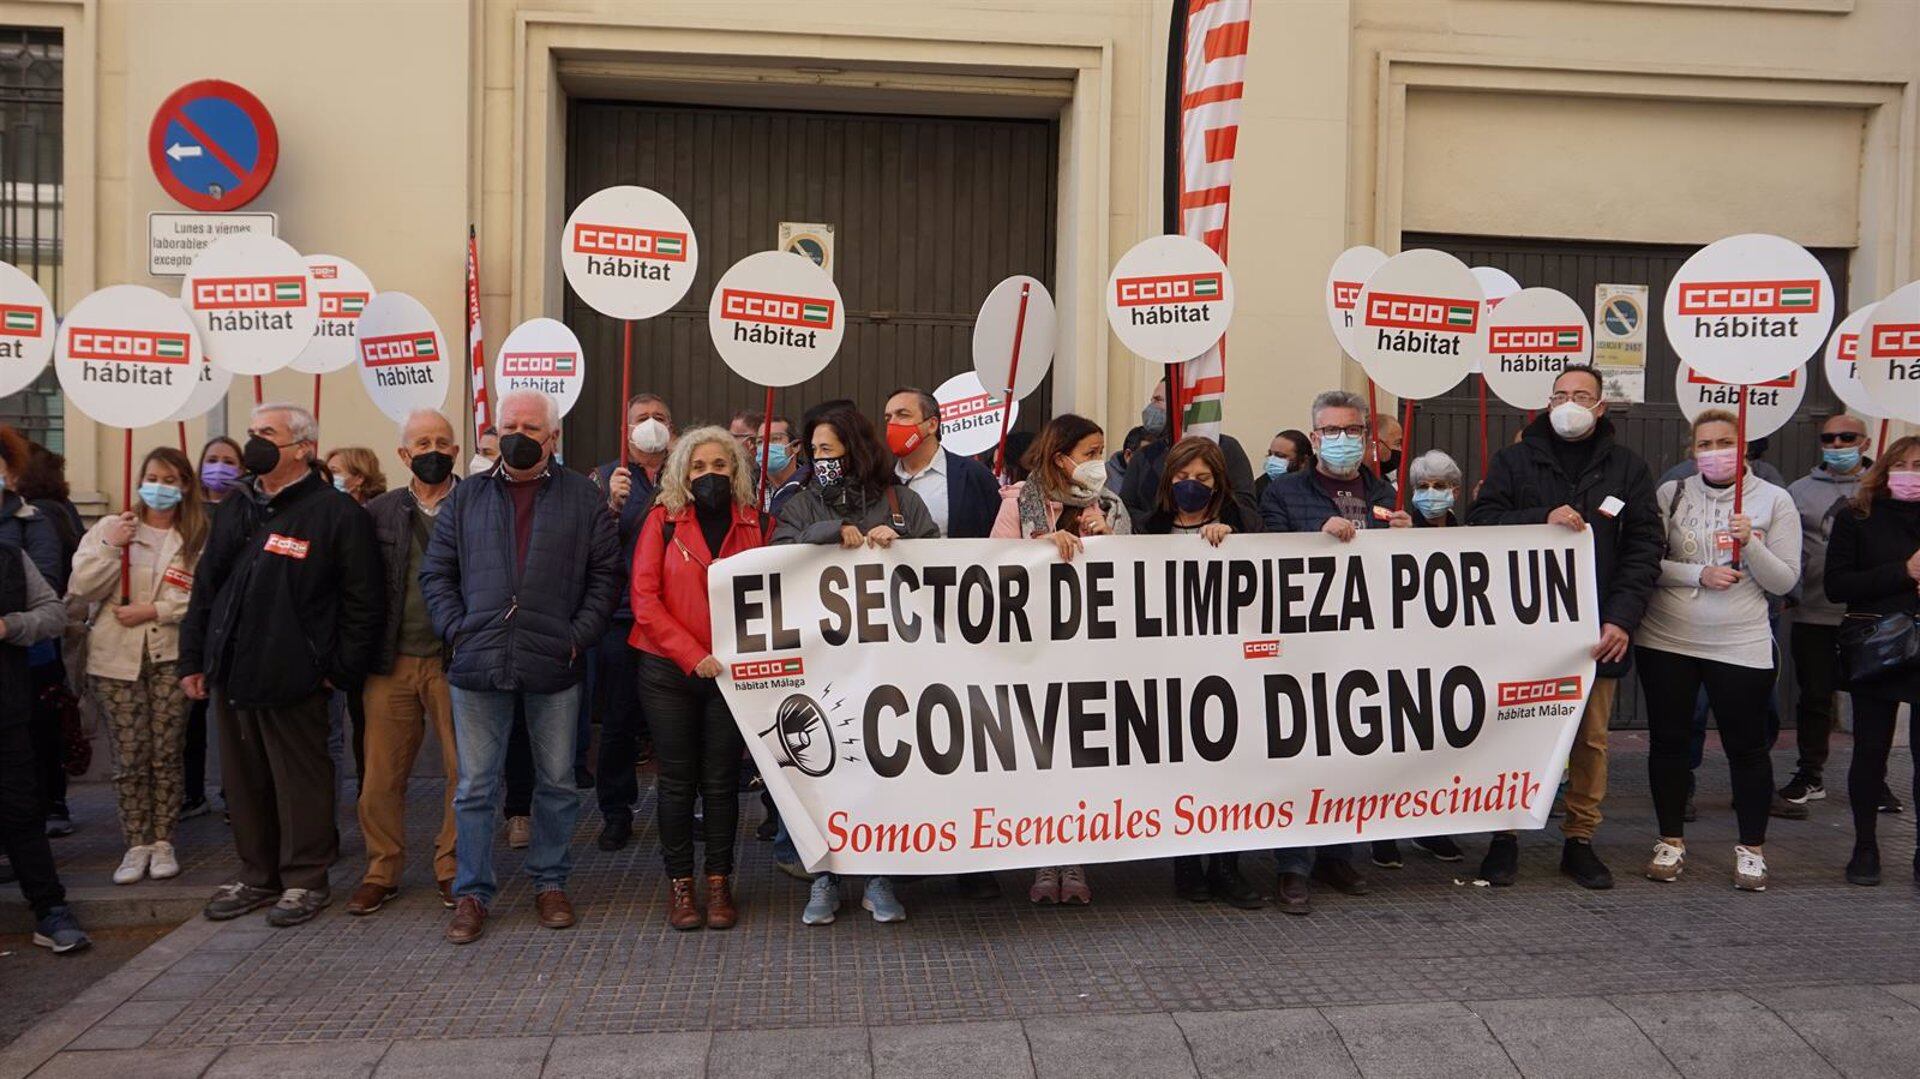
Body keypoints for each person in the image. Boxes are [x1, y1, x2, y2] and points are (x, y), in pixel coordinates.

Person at [422, 388, 620, 945]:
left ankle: (550, 882)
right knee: (476, 786)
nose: (519, 435)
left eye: (531, 428)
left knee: (556, 783)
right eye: (510, 425)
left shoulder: (584, 499)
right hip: (478, 662)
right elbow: (436, 573)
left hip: (554, 662)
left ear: (552, 437)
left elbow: (605, 578)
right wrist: (457, 629)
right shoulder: (466, 499)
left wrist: (577, 638)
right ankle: (472, 892)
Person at [180, 403, 383, 928]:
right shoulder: (237, 506)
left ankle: (305, 878)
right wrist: (196, 657)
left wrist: (338, 670)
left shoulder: (335, 513)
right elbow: (208, 588)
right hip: (232, 670)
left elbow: (363, 602)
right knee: (244, 781)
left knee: (301, 781)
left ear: (302, 448)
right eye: (252, 433)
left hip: (296, 674)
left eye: (266, 434)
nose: (254, 443)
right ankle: (256, 875)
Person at [1469, 363, 1663, 890]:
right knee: (1512, 732)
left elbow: (1645, 547)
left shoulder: (1628, 468)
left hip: (1595, 633)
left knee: (1590, 741)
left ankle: (1580, 840)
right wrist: (1539, 518)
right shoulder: (1513, 461)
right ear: (1547, 404)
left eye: (1581, 394)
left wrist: (1621, 618)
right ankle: (1503, 835)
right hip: (1521, 633)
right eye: (1560, 394)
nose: (1570, 403)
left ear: (1601, 407)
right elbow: (1481, 522)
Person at [777, 404, 939, 924]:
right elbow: (776, 559)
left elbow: (941, 568)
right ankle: (824, 876)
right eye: (814, 451)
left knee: (883, 766)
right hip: (822, 666)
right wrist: (826, 533)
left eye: (828, 449)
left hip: (892, 668)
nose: (819, 459)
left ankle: (879, 874)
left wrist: (906, 547)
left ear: (855, 450)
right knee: (825, 769)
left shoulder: (903, 502)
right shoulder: (799, 505)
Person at [1636, 410, 1799, 891]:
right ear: (1693, 452)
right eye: (1704, 444)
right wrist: (1697, 574)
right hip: (1667, 637)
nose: (1715, 452)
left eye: (1724, 442)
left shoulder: (1775, 500)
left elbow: (1784, 580)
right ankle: (1670, 841)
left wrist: (1751, 545)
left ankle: (1752, 851)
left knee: (1746, 747)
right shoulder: (1673, 493)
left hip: (1739, 642)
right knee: (1668, 742)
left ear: (1743, 446)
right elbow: (1649, 562)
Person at [1259, 390, 1408, 912]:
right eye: (1330, 432)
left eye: (1352, 432)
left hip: (1363, 647)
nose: (1341, 441)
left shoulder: (1386, 492)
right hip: (1302, 647)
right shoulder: (1284, 493)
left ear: (1367, 438)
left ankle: (1337, 853)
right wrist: (1312, 537)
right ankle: (1292, 865)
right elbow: (1268, 560)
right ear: (1315, 437)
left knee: (1350, 748)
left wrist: (1413, 540)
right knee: (1299, 751)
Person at [993, 413, 1132, 906]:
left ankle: (1074, 858)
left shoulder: (1111, 506)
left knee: (1081, 756)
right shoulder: (1020, 504)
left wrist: (1106, 541)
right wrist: (1038, 549)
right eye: (1090, 453)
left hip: (1091, 656)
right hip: (1034, 655)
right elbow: (992, 571)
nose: (1098, 462)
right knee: (1041, 754)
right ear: (1061, 457)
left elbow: (1136, 580)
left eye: (1100, 452)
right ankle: (1042, 858)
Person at [632, 427, 768, 930]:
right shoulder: (661, 521)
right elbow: (644, 600)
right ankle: (681, 886)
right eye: (698, 466)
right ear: (682, 472)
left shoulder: (758, 524)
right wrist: (692, 655)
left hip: (731, 674)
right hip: (668, 670)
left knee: (720, 783)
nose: (709, 474)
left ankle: (718, 882)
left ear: (735, 471)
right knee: (675, 782)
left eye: (719, 465)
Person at [883, 385, 1003, 900]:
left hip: (964, 631)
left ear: (932, 423)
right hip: (896, 637)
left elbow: (999, 548)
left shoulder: (972, 478)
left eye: (902, 414)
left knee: (968, 742)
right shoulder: (878, 480)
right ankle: (907, 854)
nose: (892, 422)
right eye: (887, 415)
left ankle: (973, 860)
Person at [345, 409, 464, 917]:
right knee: (380, 777)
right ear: (403, 454)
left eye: (441, 441)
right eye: (421, 442)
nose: (431, 450)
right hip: (391, 661)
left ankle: (454, 867)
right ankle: (381, 869)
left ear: (456, 451)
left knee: (467, 774)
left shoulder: (478, 503)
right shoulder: (379, 513)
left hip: (456, 661)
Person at [69, 447, 204, 886]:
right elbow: (82, 587)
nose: (160, 488)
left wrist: (154, 610)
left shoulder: (195, 535)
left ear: (184, 486)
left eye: (170, 479)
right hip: (115, 659)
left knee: (166, 752)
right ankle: (136, 843)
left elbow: (198, 597)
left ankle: (164, 840)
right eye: (153, 477)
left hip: (169, 655)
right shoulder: (113, 527)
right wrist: (112, 547)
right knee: (130, 755)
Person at [1143, 436, 1265, 909]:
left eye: (1201, 479)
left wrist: (1233, 543)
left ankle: (1228, 868)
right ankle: (1187, 866)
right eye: (1181, 478)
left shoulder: (1244, 525)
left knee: (1232, 771)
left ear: (1218, 484)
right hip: (1170, 670)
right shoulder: (1148, 528)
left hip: (1230, 669)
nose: (1189, 486)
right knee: (1182, 771)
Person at [1822, 436, 1920, 886]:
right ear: (1885, 469)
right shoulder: (1856, 517)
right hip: (1879, 648)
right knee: (1870, 751)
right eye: (1906, 465)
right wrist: (1904, 572)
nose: (1913, 474)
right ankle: (1865, 846)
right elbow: (1837, 586)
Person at [1368, 449, 1468, 870]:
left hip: (1448, 655)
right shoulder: (1396, 526)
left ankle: (1430, 825)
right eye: (1422, 487)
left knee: (1436, 743)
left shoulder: (1473, 534)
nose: (1431, 494)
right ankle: (1383, 833)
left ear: (1455, 492)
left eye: (1440, 487)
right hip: (1399, 653)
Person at [589, 393, 675, 848]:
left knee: (674, 722)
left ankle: (677, 808)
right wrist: (611, 508)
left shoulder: (686, 474)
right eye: (642, 418)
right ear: (626, 430)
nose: (652, 424)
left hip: (675, 617)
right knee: (619, 719)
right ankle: (616, 810)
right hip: (622, 616)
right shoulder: (606, 478)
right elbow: (587, 547)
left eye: (660, 417)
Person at [0, 539, 89, 953]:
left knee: (22, 814)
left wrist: (10, 625)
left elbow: (54, 614)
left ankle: (50, 910)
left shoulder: (9, 557)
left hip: (8, 710)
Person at [1779, 415, 1871, 814]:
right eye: (1829, 438)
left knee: (1871, 701)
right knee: (1814, 697)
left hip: (1869, 615)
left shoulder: (1881, 487)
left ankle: (1875, 779)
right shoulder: (1798, 490)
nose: (1836, 444)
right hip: (1812, 612)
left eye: (1846, 438)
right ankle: (1810, 774)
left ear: (1864, 442)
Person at [7, 438, 80, 839]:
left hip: (30, 653)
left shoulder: (34, 520)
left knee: (37, 735)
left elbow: (48, 592)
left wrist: (10, 622)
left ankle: (49, 806)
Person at [184, 436, 244, 821]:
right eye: (212, 459)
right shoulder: (186, 512)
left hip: (231, 627)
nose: (219, 467)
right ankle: (191, 793)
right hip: (192, 623)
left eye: (228, 460)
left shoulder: (246, 509)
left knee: (233, 722)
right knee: (191, 720)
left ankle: (234, 793)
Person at [1121, 377, 1258, 530]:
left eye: (1158, 400)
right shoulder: (1143, 456)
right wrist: (1155, 527)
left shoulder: (1227, 448)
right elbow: (1127, 509)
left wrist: (1226, 528)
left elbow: (1246, 505)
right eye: (1181, 476)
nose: (1151, 407)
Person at [759, 414, 809, 515]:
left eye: (775, 439)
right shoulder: (746, 490)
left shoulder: (811, 486)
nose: (766, 446)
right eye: (760, 441)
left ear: (796, 446)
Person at [1255, 429, 1314, 504]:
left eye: (1280, 456)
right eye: (1270, 454)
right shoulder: (1261, 485)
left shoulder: (1317, 487)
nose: (1272, 460)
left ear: (1304, 461)